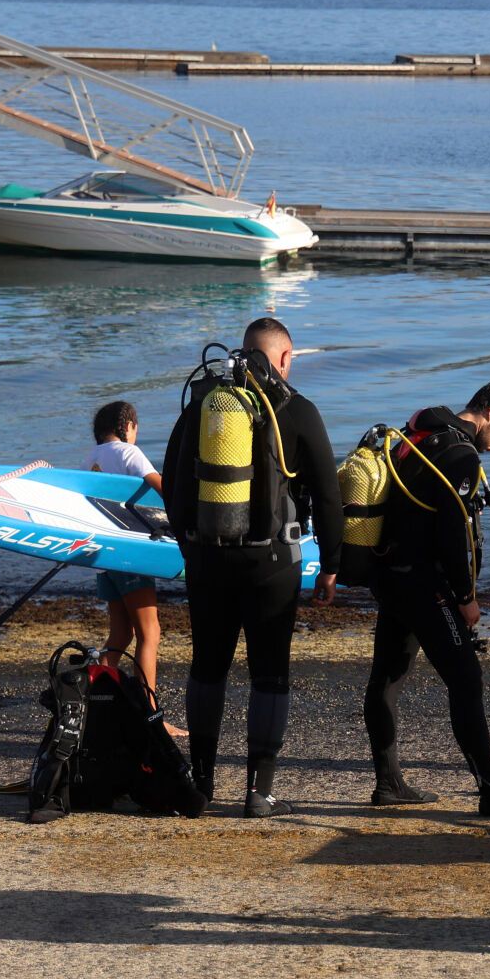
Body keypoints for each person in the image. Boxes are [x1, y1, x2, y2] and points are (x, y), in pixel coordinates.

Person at [163, 317, 342, 819]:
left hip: (206, 561)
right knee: (269, 675)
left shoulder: (202, 405)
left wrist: (189, 547)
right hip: (272, 565)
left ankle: (201, 782)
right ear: (285, 359)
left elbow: (174, 480)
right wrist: (332, 563)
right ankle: (259, 792)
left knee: (207, 667)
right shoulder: (299, 410)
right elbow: (329, 495)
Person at [363, 380, 490, 819]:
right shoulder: (460, 456)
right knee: (466, 681)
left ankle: (388, 783)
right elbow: (449, 536)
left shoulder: (424, 426)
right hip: (428, 588)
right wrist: (465, 598)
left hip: (391, 575)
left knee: (388, 676)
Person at [87, 400, 168, 700]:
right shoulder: (127, 451)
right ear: (128, 426)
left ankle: (91, 698)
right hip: (130, 554)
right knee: (150, 633)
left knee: (121, 635)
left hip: (105, 558)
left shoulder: (90, 459)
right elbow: (159, 485)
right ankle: (150, 714)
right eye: (136, 428)